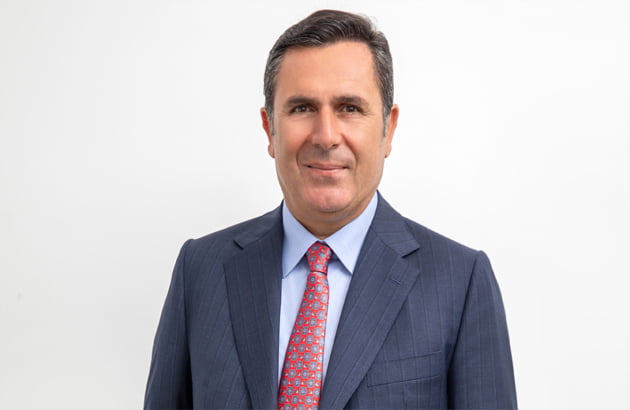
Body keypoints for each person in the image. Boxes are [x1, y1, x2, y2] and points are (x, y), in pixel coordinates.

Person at [144, 9, 517, 410]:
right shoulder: (200, 271)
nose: (325, 136)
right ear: (269, 129)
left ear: (388, 129)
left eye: (349, 108)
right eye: (302, 108)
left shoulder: (460, 282)